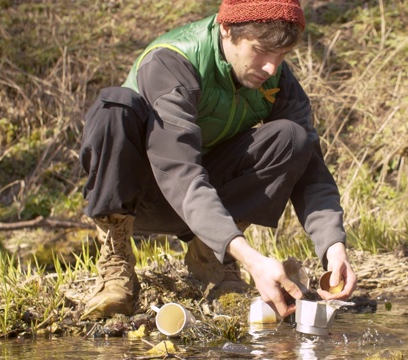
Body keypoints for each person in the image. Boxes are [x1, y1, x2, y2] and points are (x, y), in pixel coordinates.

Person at [79, 0, 357, 320]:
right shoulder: (173, 62)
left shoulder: (275, 74)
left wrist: (333, 246)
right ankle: (117, 264)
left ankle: (209, 253)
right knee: (115, 106)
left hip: (210, 205)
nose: (271, 68)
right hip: (146, 195)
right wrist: (252, 259)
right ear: (227, 30)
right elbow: (179, 173)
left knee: (293, 137)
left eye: (281, 55)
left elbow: (312, 170)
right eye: (261, 50)